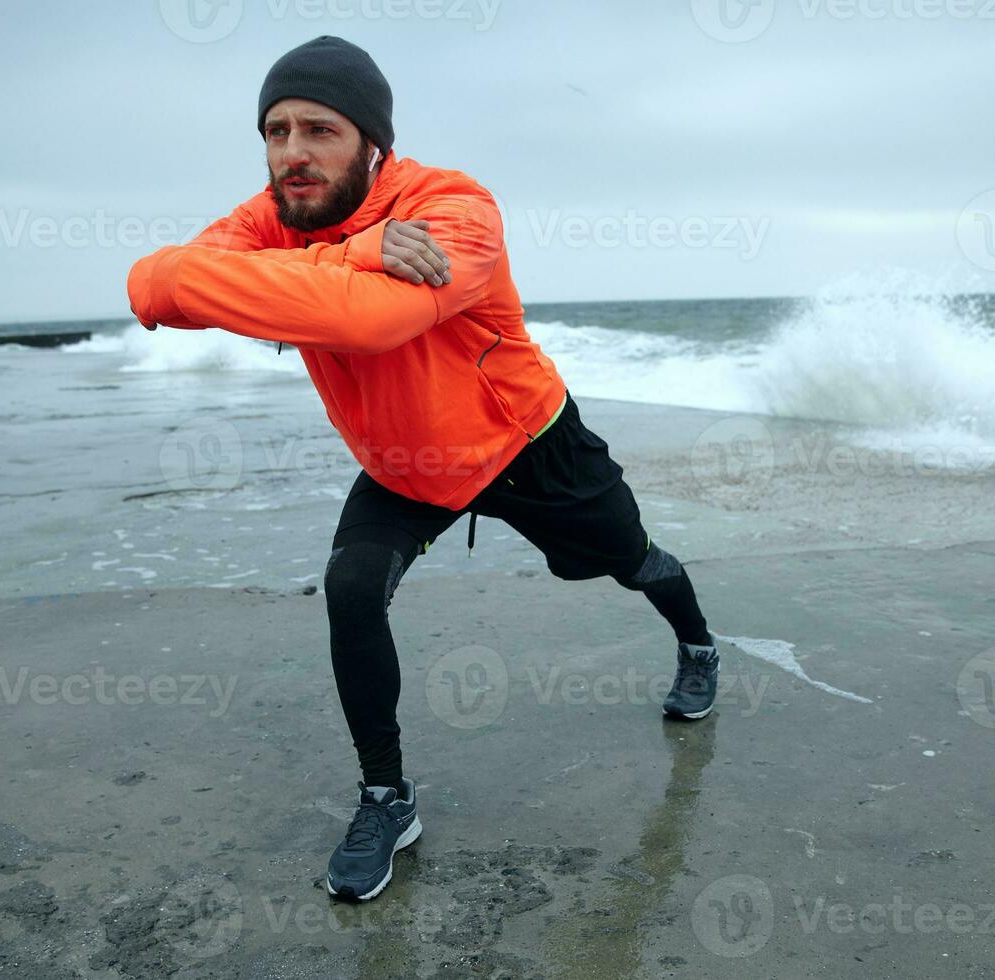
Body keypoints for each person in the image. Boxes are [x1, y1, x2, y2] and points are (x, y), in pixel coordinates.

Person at [126, 35, 719, 903]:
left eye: (320, 130)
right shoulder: (270, 217)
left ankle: (698, 645)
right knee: (352, 588)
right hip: (404, 463)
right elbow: (153, 286)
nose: (293, 153)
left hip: (523, 441)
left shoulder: (456, 206)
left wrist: (275, 278)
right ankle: (385, 796)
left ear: (373, 142)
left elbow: (370, 323)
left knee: (630, 561)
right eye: (276, 129)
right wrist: (355, 253)